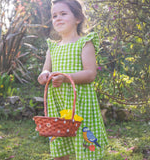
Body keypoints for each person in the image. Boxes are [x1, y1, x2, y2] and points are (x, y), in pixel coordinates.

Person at [38, 0, 108, 159]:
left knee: (85, 145)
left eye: (63, 14)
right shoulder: (53, 47)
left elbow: (90, 74)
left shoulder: (84, 43)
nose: (58, 18)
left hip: (80, 103)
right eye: (54, 15)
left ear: (77, 18)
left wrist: (65, 78)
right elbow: (46, 68)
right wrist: (45, 75)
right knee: (59, 144)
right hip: (59, 103)